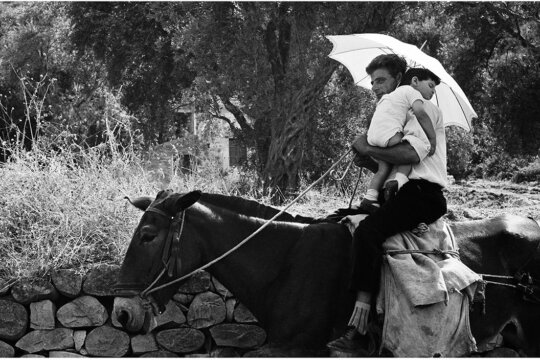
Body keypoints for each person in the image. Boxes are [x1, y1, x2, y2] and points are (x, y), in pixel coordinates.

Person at [328, 55, 448, 352]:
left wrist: (367, 146)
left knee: (369, 232)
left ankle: (360, 326)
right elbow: (392, 170)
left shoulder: (425, 109)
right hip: (402, 191)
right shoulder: (395, 114)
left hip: (423, 194)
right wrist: (368, 160)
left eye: (381, 80)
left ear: (400, 80)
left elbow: (411, 157)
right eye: (372, 82)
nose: (375, 87)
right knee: (338, 224)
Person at [358, 67, 440, 214]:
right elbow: (420, 114)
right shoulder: (412, 92)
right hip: (390, 133)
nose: (433, 92)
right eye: (431, 86)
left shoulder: (387, 97)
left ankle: (370, 197)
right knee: (407, 152)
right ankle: (399, 182)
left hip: (373, 135)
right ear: (414, 80)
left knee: (383, 168)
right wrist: (432, 138)